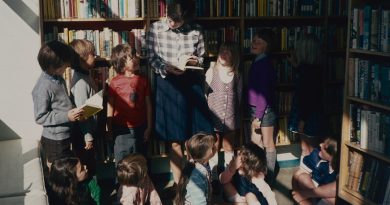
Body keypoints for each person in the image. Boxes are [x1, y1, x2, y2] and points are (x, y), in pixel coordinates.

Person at [147, 0, 213, 185]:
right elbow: (151, 57)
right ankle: (179, 186)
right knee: (174, 139)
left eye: (177, 21)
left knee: (197, 137)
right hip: (168, 84)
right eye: (170, 19)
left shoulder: (196, 29)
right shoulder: (155, 29)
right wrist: (164, 67)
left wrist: (194, 62)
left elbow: (202, 57)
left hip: (190, 82)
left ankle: (198, 181)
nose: (172, 23)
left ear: (186, 18)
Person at [32, 40, 83, 169]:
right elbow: (40, 117)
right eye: (65, 65)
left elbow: (62, 103)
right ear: (53, 66)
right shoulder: (43, 87)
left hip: (65, 135)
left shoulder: (58, 78)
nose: (67, 67)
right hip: (54, 141)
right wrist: (67, 116)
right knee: (60, 174)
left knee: (68, 172)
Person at [107, 44, 152, 164]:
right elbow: (110, 106)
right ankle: (122, 183)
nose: (136, 59)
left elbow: (148, 105)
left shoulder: (143, 80)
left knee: (140, 161)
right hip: (121, 131)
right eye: (132, 57)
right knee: (123, 162)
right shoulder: (115, 82)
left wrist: (149, 127)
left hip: (140, 128)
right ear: (122, 64)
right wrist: (109, 127)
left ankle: (142, 182)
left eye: (136, 56)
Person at [247, 29, 278, 185]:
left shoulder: (264, 64)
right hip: (257, 109)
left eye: (258, 42)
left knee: (267, 143)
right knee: (255, 143)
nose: (253, 43)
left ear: (266, 46)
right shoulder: (258, 60)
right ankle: (257, 175)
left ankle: (270, 177)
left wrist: (259, 116)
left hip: (264, 111)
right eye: (253, 40)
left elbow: (263, 93)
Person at [287, 33, 325, 158]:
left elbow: (307, 98)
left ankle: (308, 174)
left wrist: (302, 121)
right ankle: (309, 173)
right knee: (311, 149)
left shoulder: (306, 72)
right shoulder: (316, 69)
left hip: (307, 116)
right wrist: (296, 66)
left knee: (308, 150)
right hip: (314, 114)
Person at [69, 39, 98, 176]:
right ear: (82, 58)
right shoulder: (80, 82)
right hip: (83, 135)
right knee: (88, 168)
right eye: (93, 54)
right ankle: (91, 196)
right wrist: (88, 136)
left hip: (88, 130)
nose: (96, 56)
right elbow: (82, 112)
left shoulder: (85, 75)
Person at [291, 137, 338, 205]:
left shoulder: (339, 169)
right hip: (316, 190)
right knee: (302, 177)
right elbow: (297, 174)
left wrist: (305, 194)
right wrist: (296, 194)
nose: (320, 145)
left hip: (326, 195)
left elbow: (334, 190)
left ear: (332, 156)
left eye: (324, 147)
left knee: (332, 199)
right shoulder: (316, 154)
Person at [174, 132, 217, 205]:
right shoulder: (196, 176)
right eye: (213, 146)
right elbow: (199, 202)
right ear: (209, 152)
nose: (215, 147)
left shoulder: (194, 166)